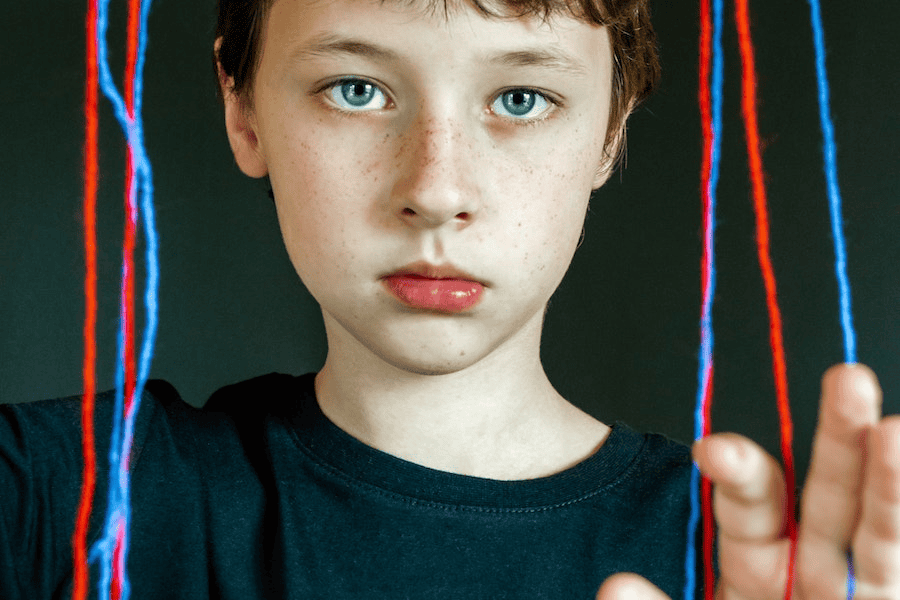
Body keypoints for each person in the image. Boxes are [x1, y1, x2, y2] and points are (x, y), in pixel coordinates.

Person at [1, 0, 896, 598]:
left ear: (608, 133)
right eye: (357, 90)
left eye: (520, 96)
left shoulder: (763, 566)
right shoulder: (56, 500)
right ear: (243, 112)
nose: (436, 190)